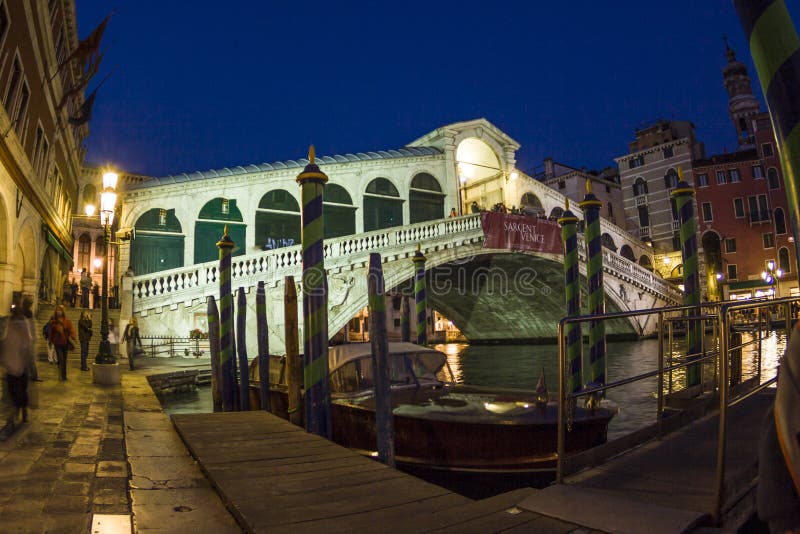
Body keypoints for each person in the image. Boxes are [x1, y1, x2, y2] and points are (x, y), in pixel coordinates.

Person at [1, 296, 35, 424]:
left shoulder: (20, 323)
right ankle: (16, 413)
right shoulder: (10, 323)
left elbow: (27, 341)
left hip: (18, 363)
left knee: (18, 389)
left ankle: (21, 411)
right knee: (14, 390)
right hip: (13, 363)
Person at [47, 305, 76, 381]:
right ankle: (61, 374)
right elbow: (51, 332)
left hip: (65, 342)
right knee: (61, 359)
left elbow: (71, 329)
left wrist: (73, 336)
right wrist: (50, 341)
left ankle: (64, 375)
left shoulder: (67, 320)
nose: (58, 312)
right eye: (57, 310)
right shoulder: (53, 321)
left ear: (63, 311)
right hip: (57, 343)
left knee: (64, 359)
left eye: (60, 310)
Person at [20, 296, 40, 382]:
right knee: (30, 359)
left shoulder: (25, 313)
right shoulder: (28, 313)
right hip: (26, 340)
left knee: (27, 359)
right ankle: (32, 376)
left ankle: (29, 375)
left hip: (24, 340)